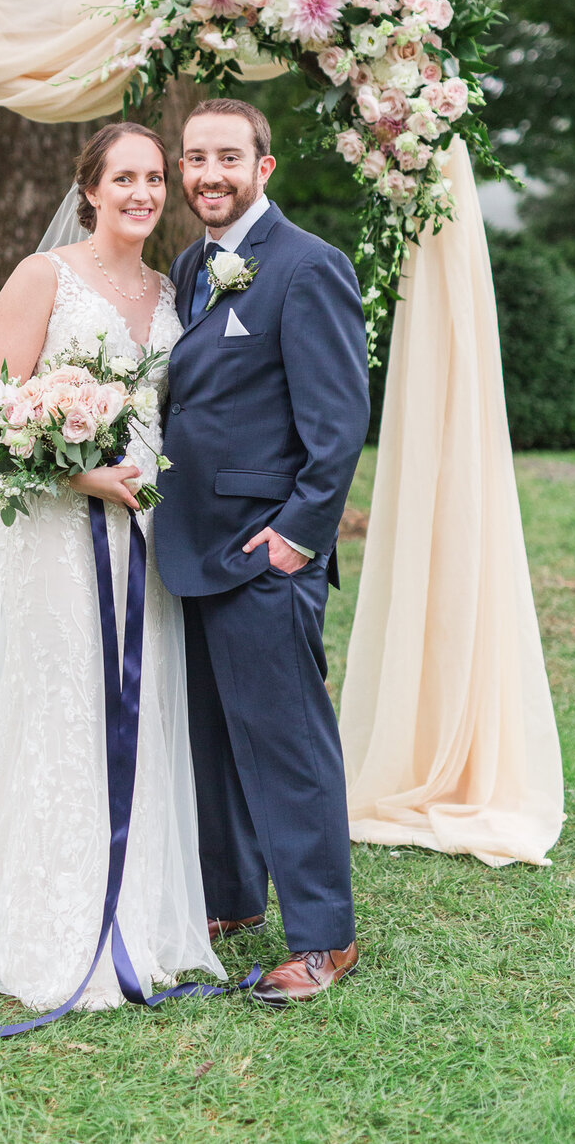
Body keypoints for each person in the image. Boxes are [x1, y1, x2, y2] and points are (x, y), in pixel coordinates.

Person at [0, 121, 226, 1013]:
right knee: (63, 702)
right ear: (88, 189)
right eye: (123, 177)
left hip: (145, 532)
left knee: (138, 700)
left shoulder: (174, 287)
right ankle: (50, 897)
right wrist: (79, 469)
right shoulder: (44, 277)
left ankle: (141, 895)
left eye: (155, 178)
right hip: (53, 530)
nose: (142, 193)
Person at [155, 97, 370, 1006]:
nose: (210, 174)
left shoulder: (309, 267)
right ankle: (234, 897)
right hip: (188, 549)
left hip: (261, 552)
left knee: (287, 746)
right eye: (195, 158)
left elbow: (339, 424)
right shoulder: (187, 267)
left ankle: (325, 935)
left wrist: (297, 539)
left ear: (263, 167)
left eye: (228, 158)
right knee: (211, 739)